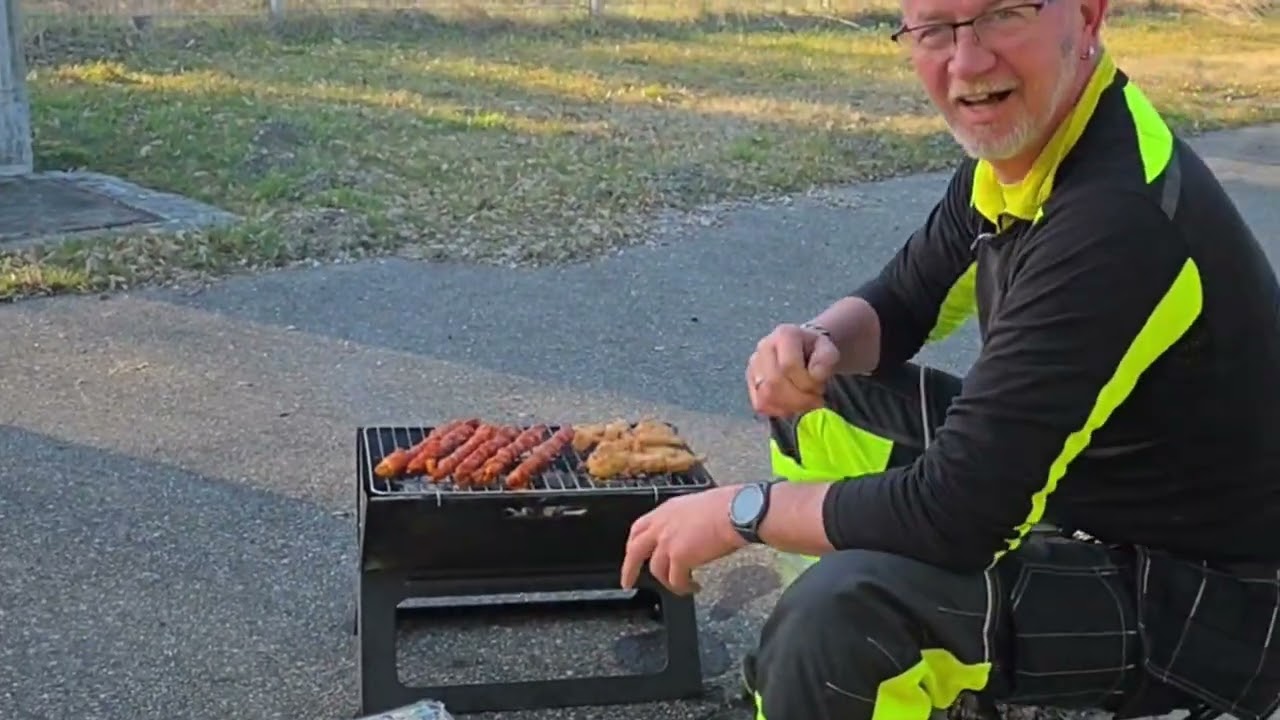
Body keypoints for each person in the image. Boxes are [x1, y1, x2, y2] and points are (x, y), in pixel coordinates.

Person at [617, 0, 1280, 718]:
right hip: (1082, 493)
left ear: (1087, 16)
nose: (967, 62)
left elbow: (960, 513)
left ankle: (851, 663)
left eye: (1002, 14)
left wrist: (744, 511)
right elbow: (903, 300)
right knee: (815, 403)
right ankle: (887, 681)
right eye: (935, 28)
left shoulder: (1116, 218)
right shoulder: (1041, 144)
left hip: (1217, 603)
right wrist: (817, 344)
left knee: (840, 627)